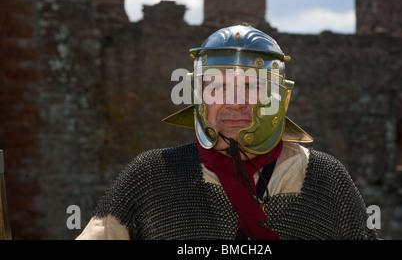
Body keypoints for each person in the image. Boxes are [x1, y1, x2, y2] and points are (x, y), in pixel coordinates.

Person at [77, 24, 378, 240]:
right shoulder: (153, 175)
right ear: (198, 98)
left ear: (281, 99)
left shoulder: (324, 178)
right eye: (218, 88)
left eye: (251, 87)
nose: (234, 104)